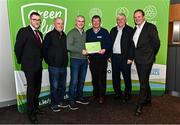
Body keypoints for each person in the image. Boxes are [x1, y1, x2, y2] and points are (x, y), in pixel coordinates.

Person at [14, 12, 44, 124]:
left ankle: (36, 108)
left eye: (38, 20)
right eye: (35, 19)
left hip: (38, 66)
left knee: (37, 89)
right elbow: (18, 48)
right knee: (31, 90)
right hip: (29, 67)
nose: (37, 21)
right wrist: (22, 61)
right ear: (30, 20)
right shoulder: (23, 31)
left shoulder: (40, 33)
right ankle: (30, 113)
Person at [133, 9, 160, 116]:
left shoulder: (150, 27)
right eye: (135, 17)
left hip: (146, 60)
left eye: (139, 16)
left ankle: (140, 105)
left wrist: (151, 55)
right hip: (138, 59)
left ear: (143, 17)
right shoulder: (136, 28)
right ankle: (148, 99)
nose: (137, 19)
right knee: (143, 80)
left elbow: (156, 43)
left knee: (143, 83)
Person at [42, 17, 68, 112]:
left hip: (63, 66)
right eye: (58, 23)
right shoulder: (49, 35)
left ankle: (60, 101)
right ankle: (54, 104)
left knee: (62, 85)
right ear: (54, 24)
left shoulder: (64, 35)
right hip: (54, 66)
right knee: (54, 86)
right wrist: (49, 61)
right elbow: (44, 50)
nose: (60, 25)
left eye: (62, 23)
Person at [109, 13, 135, 102]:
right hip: (114, 57)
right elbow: (109, 44)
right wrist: (109, 55)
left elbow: (132, 45)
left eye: (122, 19)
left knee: (126, 77)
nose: (120, 21)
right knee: (115, 77)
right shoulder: (113, 30)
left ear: (125, 20)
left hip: (125, 58)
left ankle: (127, 94)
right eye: (118, 19)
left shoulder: (130, 30)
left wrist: (131, 58)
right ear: (116, 20)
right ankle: (118, 93)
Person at [86, 15, 111, 104]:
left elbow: (109, 44)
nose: (96, 23)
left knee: (102, 78)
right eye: (94, 21)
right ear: (92, 22)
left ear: (100, 22)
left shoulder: (105, 32)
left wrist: (104, 49)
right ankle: (95, 94)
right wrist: (87, 56)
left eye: (97, 21)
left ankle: (102, 96)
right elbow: (85, 45)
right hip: (92, 59)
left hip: (102, 59)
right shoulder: (88, 32)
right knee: (94, 78)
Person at [67, 15, 89, 110]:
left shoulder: (84, 33)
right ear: (76, 22)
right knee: (74, 81)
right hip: (75, 59)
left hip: (84, 60)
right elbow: (68, 46)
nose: (81, 23)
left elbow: (86, 46)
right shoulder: (71, 33)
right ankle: (71, 100)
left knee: (81, 80)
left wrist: (87, 54)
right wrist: (81, 51)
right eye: (79, 21)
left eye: (82, 21)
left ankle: (79, 97)